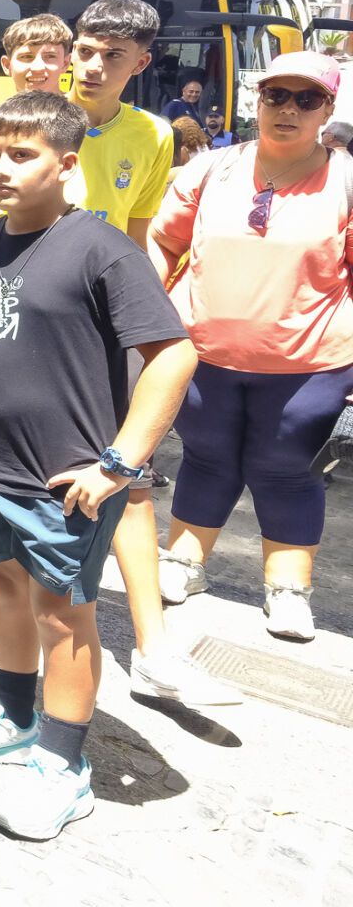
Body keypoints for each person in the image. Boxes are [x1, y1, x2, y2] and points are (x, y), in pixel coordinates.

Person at [0, 90, 196, 841]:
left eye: (23, 155)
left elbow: (172, 352)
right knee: (3, 589)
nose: (1, 170)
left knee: (63, 614)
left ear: (67, 165)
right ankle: (10, 713)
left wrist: (119, 461)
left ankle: (62, 763)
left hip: (65, 480)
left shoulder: (100, 247)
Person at [0, 0, 236, 706]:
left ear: (140, 63)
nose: (87, 65)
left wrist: (152, 323)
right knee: (31, 511)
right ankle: (27, 671)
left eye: (108, 55)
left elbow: (142, 234)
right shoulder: (30, 126)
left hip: (107, 327)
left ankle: (152, 647)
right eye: (81, 48)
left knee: (131, 481)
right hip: (31, 328)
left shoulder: (149, 135)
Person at [151, 52, 353, 643]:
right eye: (276, 96)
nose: (288, 109)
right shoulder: (211, 169)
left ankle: (288, 591)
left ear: (327, 110)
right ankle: (184, 564)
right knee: (206, 456)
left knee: (286, 469)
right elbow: (164, 245)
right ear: (257, 102)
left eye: (305, 100)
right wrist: (154, 324)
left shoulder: (345, 180)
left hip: (308, 364)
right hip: (203, 353)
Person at [0, 13, 72, 96]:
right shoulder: (1, 109)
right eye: (26, 56)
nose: (37, 68)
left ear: (65, 64)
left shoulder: (81, 109)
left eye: (50, 56)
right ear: (7, 65)